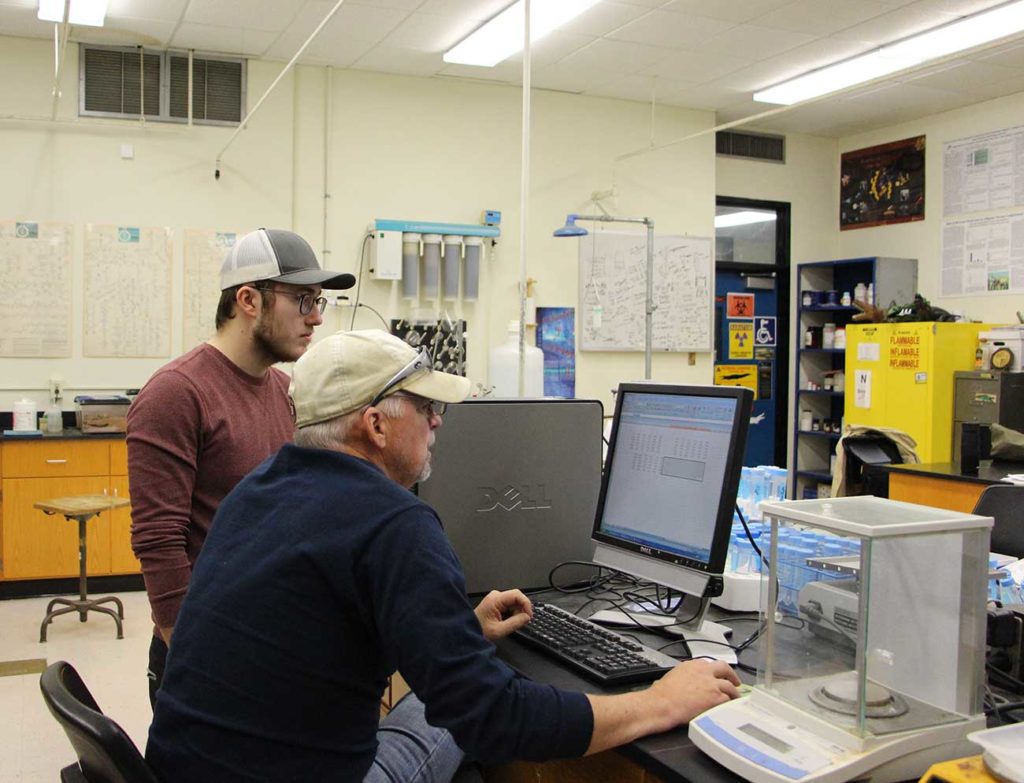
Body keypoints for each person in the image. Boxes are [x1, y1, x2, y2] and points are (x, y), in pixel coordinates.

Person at [145, 329, 741, 783]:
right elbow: (497, 719)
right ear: (375, 424)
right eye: (426, 406)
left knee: (434, 703)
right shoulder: (393, 522)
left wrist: (456, 631)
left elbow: (307, 631)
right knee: (456, 718)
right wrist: (658, 702)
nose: (438, 420)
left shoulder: (259, 488)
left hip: (190, 767)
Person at [127, 228, 354, 706]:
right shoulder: (176, 393)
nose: (315, 317)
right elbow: (158, 542)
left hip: (270, 639)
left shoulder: (280, 390)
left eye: (319, 301)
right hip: (207, 651)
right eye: (302, 299)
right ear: (249, 299)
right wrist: (195, 656)